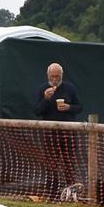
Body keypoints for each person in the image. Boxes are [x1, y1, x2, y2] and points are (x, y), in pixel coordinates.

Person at [32, 62, 81, 199]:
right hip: (50, 134)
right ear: (48, 75)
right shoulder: (43, 89)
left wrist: (69, 107)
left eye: (57, 76)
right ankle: (52, 194)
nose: (55, 79)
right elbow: (37, 111)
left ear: (62, 75)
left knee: (69, 164)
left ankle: (71, 192)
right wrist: (46, 99)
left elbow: (79, 107)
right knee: (51, 164)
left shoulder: (70, 88)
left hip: (68, 133)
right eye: (52, 76)